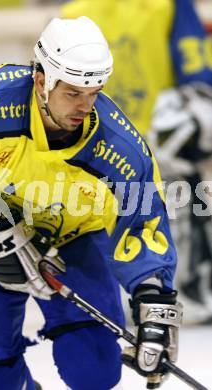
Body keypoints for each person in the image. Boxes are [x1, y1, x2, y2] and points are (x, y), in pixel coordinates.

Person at [0, 16, 182, 390]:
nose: (85, 107)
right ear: (41, 80)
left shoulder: (121, 149)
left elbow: (144, 226)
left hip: (70, 244)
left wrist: (154, 311)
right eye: (73, 93)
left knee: (95, 370)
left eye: (94, 93)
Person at [62, 0, 212, 324]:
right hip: (158, 147)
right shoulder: (169, 5)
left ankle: (108, 296)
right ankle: (181, 292)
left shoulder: (72, 14)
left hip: (98, 149)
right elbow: (198, 74)